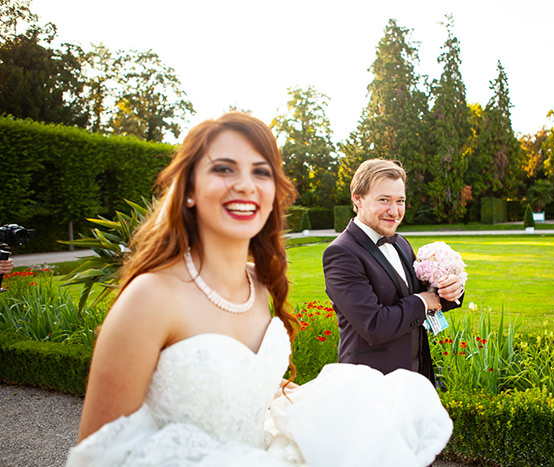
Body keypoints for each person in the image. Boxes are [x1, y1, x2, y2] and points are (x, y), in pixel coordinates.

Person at [67, 113, 452, 466]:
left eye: (261, 172)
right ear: (188, 190)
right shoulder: (149, 298)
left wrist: (327, 411)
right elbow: (99, 455)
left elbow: (251, 389)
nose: (245, 184)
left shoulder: (260, 287)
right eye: (223, 168)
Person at [323, 159, 465, 384]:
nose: (394, 211)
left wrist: (449, 291)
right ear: (357, 198)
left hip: (415, 380)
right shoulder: (342, 253)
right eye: (384, 200)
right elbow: (373, 326)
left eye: (400, 201)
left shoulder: (401, 243)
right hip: (370, 385)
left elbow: (424, 296)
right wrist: (422, 302)